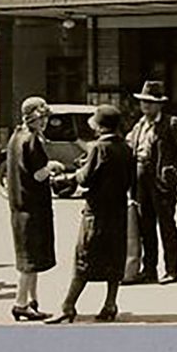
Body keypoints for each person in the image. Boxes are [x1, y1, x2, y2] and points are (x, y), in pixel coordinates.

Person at [48, 105, 133, 324]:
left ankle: (68, 306)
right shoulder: (125, 147)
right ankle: (110, 304)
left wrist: (69, 177)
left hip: (97, 212)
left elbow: (85, 178)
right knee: (115, 260)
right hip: (118, 211)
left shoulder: (99, 147)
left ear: (100, 126)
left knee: (83, 259)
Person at [6, 97, 63, 321]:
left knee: (29, 258)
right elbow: (39, 174)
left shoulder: (15, 137)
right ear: (35, 118)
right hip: (33, 207)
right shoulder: (32, 140)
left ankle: (32, 301)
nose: (45, 122)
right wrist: (52, 166)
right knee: (29, 262)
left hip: (19, 206)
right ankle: (20, 303)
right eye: (43, 118)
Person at [125, 80, 177, 285]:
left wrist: (175, 173)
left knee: (167, 225)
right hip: (140, 178)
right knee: (145, 226)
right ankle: (149, 269)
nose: (146, 106)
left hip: (161, 180)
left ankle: (171, 269)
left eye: (150, 102)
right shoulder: (138, 125)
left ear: (160, 104)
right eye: (144, 102)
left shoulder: (170, 123)